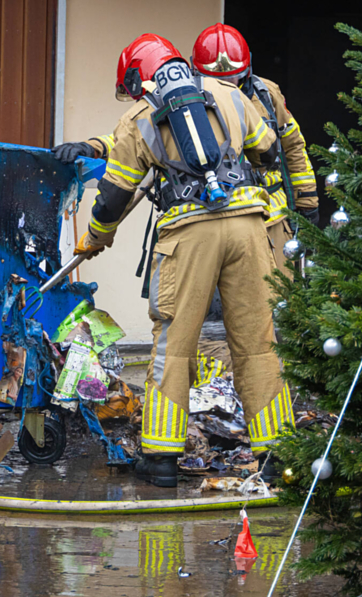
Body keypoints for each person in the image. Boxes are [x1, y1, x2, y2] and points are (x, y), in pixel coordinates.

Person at [73, 33, 295, 487]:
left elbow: (115, 195)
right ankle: (276, 453)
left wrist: (95, 237)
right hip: (250, 226)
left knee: (173, 348)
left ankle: (160, 460)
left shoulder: (139, 117)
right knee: (257, 342)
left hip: (189, 235)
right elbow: (270, 150)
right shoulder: (228, 95)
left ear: (140, 76)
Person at [191, 23, 319, 271]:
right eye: (215, 80)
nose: (224, 87)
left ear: (247, 70)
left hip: (270, 218)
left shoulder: (266, 94)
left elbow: (292, 147)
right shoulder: (185, 102)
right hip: (208, 219)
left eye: (231, 78)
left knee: (278, 300)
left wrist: (307, 203)